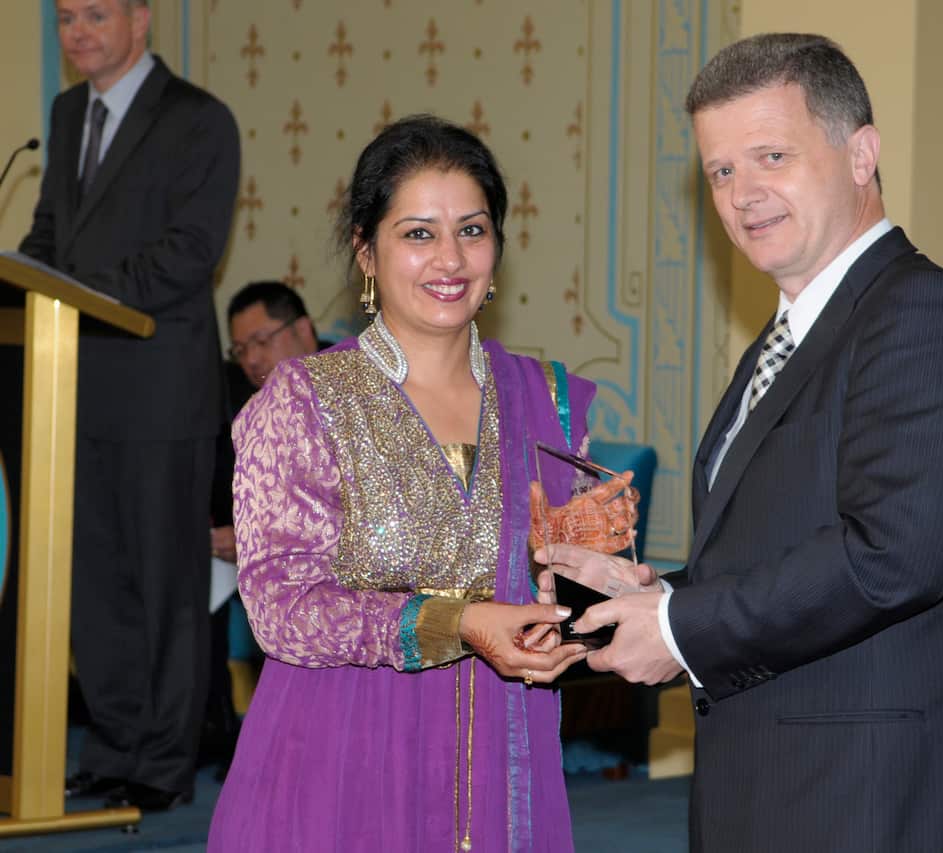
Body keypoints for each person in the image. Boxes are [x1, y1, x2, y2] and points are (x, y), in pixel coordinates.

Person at [565, 33, 943, 852]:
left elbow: (892, 557)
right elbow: (779, 547)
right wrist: (653, 592)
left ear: (861, 154)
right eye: (721, 171)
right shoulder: (783, 342)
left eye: (771, 155)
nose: (743, 194)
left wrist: (681, 627)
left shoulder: (924, 316)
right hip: (771, 783)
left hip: (873, 796)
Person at [207, 114, 642, 853]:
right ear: (365, 250)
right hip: (339, 756)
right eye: (418, 233)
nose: (450, 258)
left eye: (472, 230)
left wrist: (585, 575)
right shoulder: (304, 400)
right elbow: (281, 608)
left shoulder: (550, 399)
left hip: (500, 759)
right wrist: (456, 622)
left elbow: (548, 594)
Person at [18, 0, 239, 812]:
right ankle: (112, 747)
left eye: (96, 14)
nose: (78, 32)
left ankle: (161, 762)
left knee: (164, 583)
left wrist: (80, 292)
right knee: (95, 584)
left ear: (141, 19)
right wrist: (28, 272)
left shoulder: (198, 120)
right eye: (66, 18)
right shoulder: (69, 110)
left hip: (159, 386)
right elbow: (52, 232)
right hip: (72, 384)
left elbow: (192, 251)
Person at [203, 282, 324, 777]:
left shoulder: (353, 391)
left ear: (303, 330)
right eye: (240, 349)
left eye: (263, 340)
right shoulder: (247, 404)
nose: (252, 359)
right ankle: (215, 732)